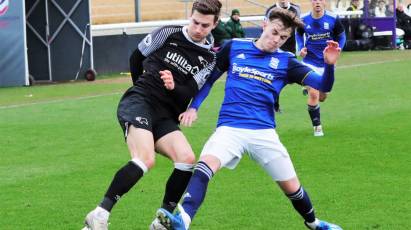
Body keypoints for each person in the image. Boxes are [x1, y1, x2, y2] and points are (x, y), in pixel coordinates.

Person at [156, 8, 343, 230]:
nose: (277, 41)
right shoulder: (234, 46)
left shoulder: (287, 61)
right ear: (264, 25)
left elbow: (323, 85)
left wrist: (329, 65)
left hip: (263, 132)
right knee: (204, 166)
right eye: (274, 33)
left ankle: (314, 224)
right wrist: (194, 107)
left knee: (292, 188)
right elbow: (209, 80)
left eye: (283, 38)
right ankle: (183, 221)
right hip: (230, 128)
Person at [82, 1, 222, 229]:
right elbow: (135, 58)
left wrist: (172, 86)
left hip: (166, 114)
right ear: (190, 16)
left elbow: (188, 91)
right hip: (141, 101)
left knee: (187, 159)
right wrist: (143, 89)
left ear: (215, 24)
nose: (198, 29)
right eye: (195, 22)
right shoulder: (168, 33)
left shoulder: (209, 58)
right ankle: (99, 214)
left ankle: (162, 220)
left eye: (205, 25)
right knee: (146, 158)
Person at [296, 0, 346, 136]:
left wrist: (338, 49)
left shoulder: (333, 19)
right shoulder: (303, 19)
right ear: (311, 2)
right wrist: (301, 47)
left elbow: (342, 36)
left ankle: (309, 88)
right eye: (314, 0)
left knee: (322, 97)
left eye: (320, 0)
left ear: (324, 2)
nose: (317, 2)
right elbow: (298, 34)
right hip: (309, 62)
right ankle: (317, 127)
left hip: (327, 63)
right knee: (314, 93)